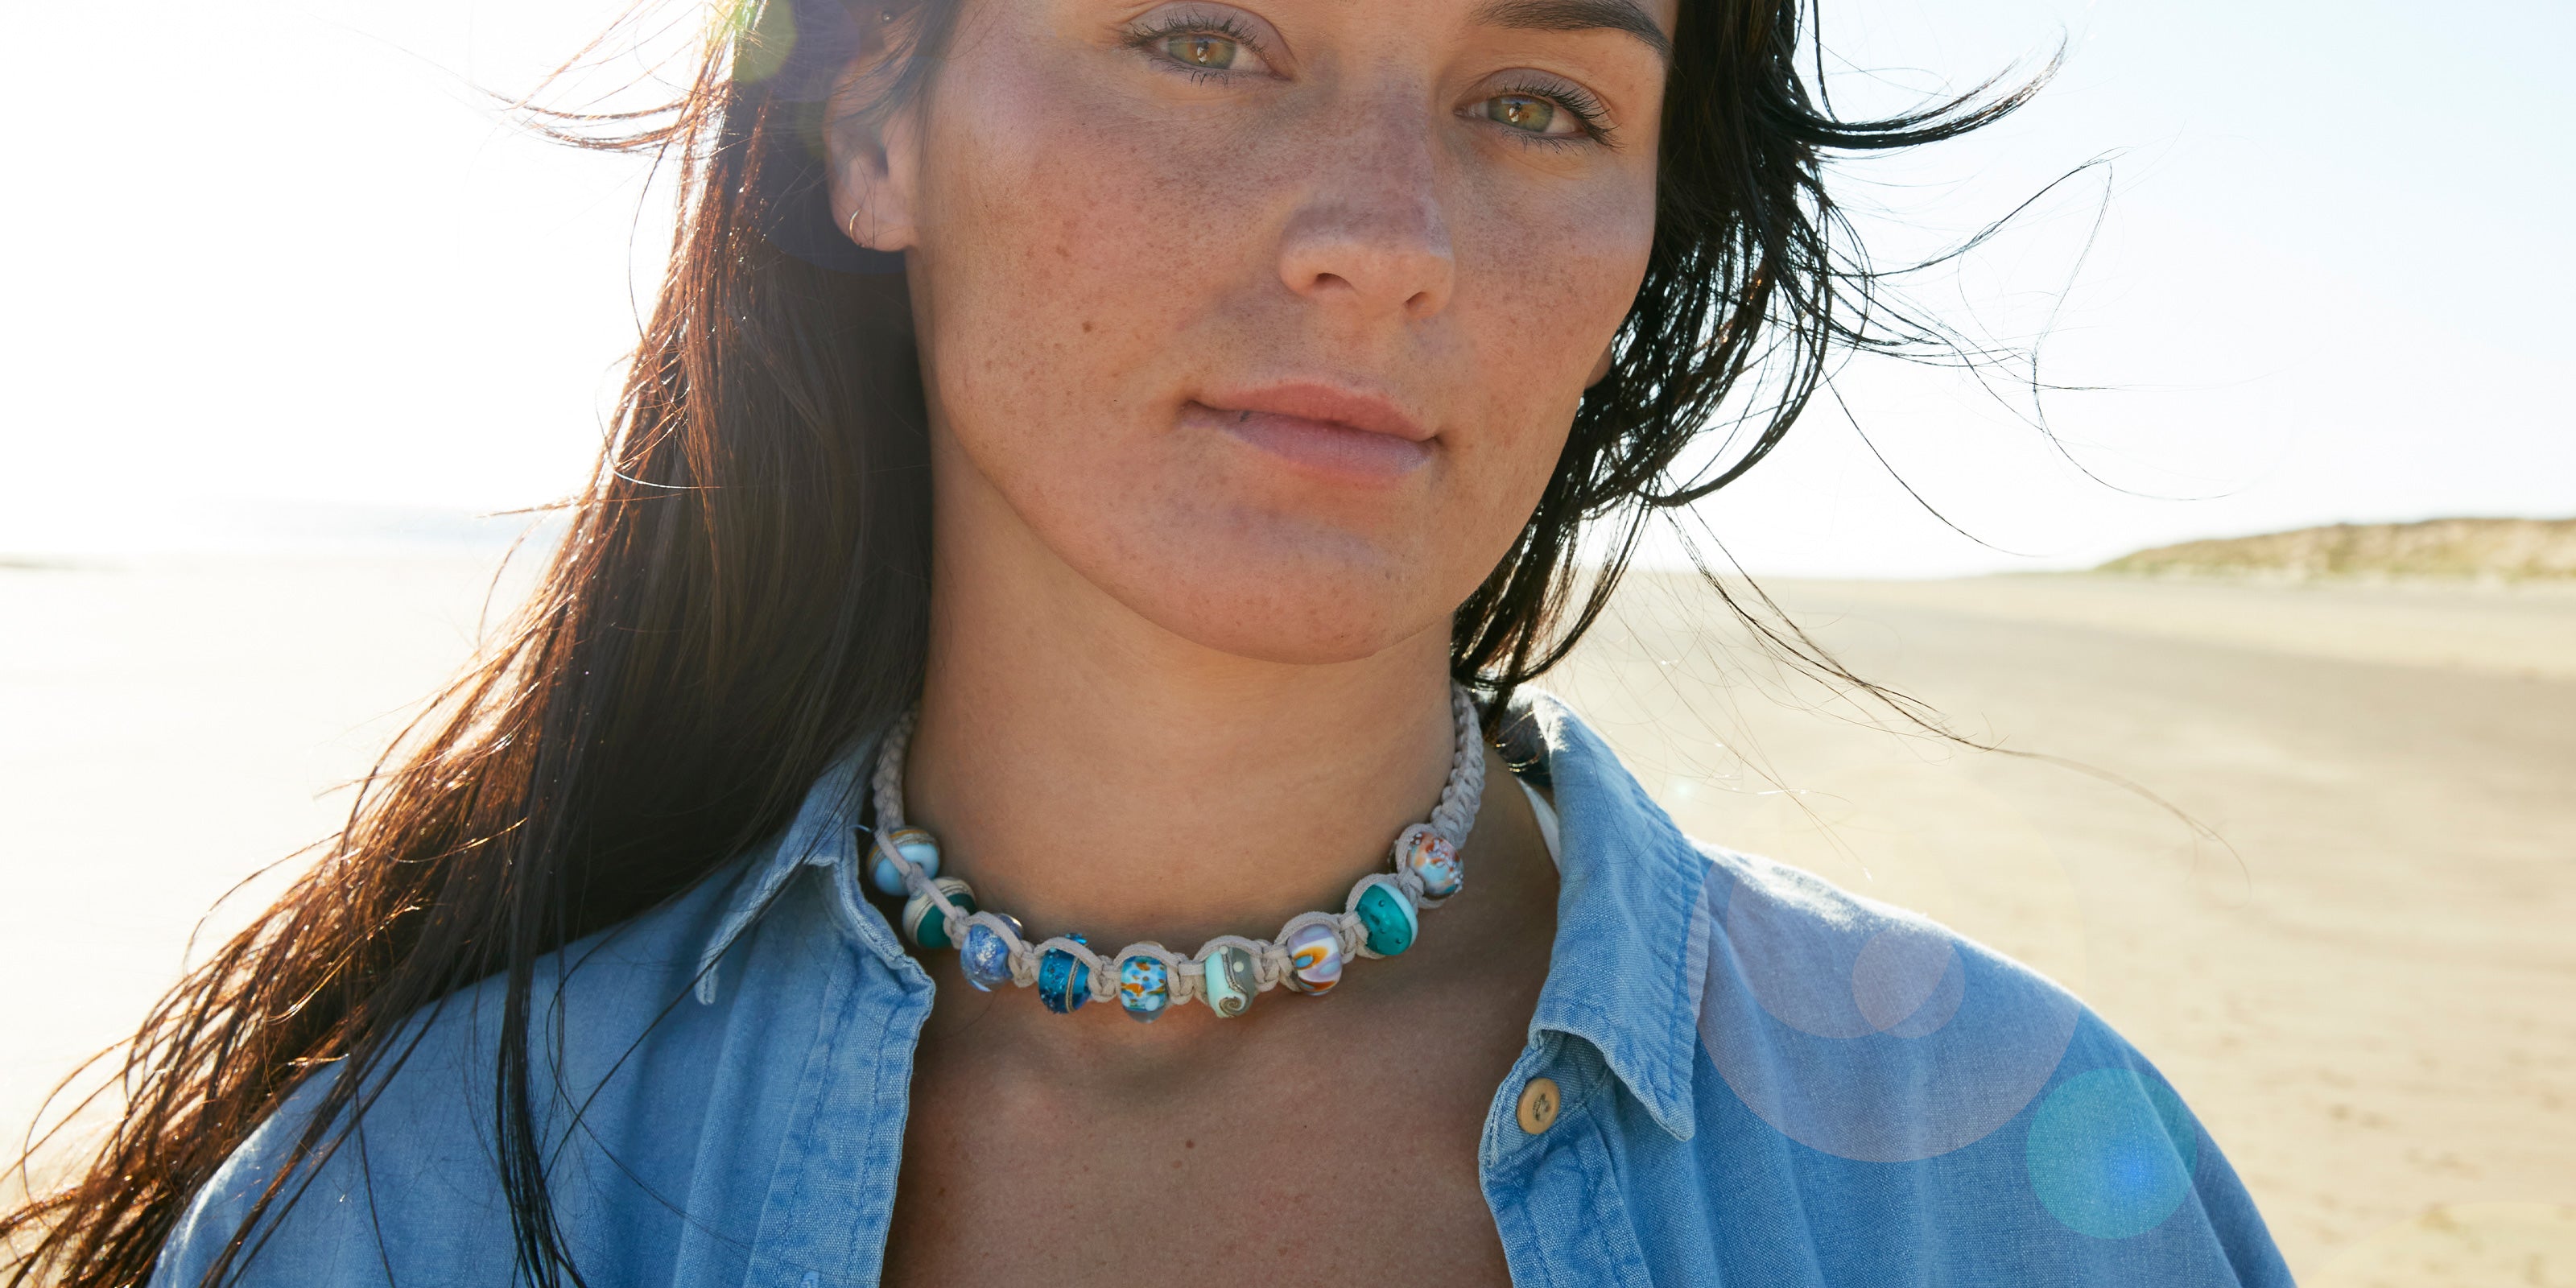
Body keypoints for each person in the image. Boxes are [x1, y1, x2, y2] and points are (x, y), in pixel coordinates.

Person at [5, 0, 2293, 1283]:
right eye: (1205, 37)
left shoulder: (2010, 1184)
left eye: (1533, 102)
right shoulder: (412, 1205)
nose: (1384, 242)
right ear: (873, 125)